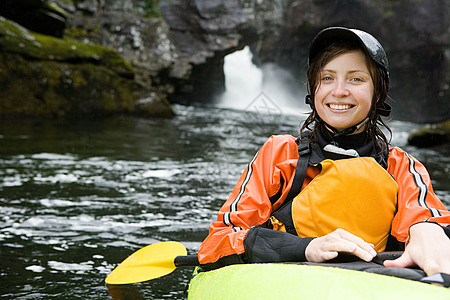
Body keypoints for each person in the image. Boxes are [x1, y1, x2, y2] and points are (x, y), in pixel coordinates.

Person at [198, 27, 450, 276]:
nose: (339, 91)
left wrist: (427, 230)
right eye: (327, 78)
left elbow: (426, 215)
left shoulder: (401, 166)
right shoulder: (281, 154)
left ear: (377, 93)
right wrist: (305, 247)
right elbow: (217, 242)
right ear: (313, 88)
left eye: (356, 78)